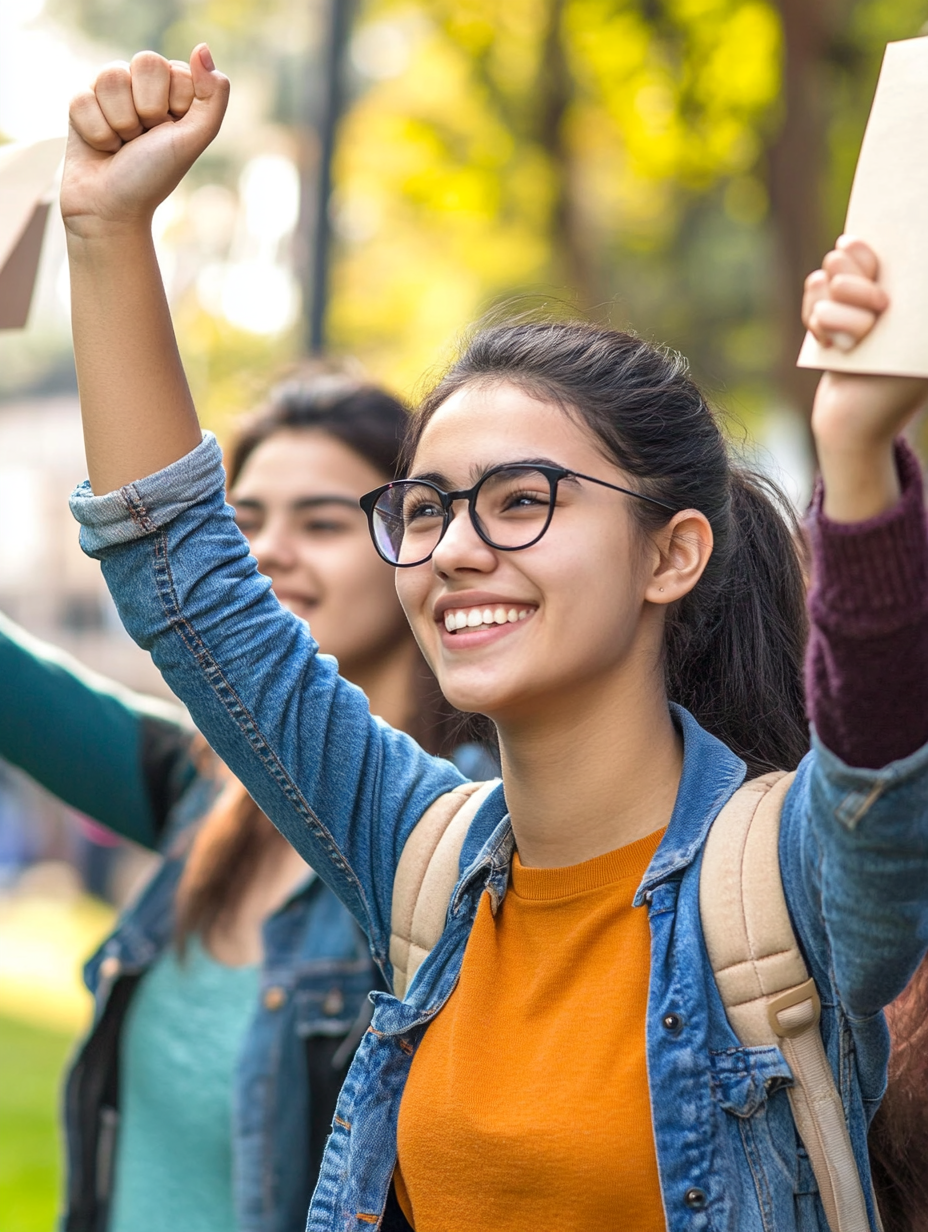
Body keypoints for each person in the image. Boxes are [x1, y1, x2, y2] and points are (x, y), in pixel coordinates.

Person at [61, 46, 928, 1232]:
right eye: (424, 506)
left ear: (672, 553)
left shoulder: (785, 882)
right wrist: (107, 227)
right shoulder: (415, 853)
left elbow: (881, 769)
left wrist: (858, 458)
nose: (456, 548)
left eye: (522, 498)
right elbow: (189, 585)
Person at [0, 372, 481, 1232]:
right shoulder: (199, 789)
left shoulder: (463, 836)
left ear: (419, 544)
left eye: (322, 522)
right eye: (242, 521)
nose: (266, 552)